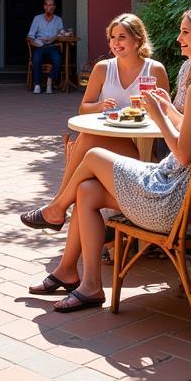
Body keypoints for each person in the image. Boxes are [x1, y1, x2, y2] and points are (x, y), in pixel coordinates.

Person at [26, 21, 191, 311]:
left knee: (92, 154)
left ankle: (56, 211)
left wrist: (158, 116)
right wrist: (169, 109)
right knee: (88, 191)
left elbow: (182, 155)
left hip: (176, 209)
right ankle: (78, 277)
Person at [20, 12, 168, 231]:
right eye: (112, 37)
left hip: (141, 145)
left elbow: (166, 111)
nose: (115, 43)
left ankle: (57, 207)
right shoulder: (103, 68)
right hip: (110, 139)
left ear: (138, 40)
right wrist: (100, 106)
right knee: (88, 138)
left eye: (122, 37)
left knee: (87, 139)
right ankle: (58, 208)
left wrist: (150, 108)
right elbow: (84, 108)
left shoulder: (154, 69)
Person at [28, 0, 65, 94]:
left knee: (58, 60)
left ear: (54, 7)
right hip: (39, 46)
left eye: (52, 5)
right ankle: (37, 84)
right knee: (36, 59)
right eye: (48, 5)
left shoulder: (58, 20)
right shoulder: (37, 19)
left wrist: (53, 38)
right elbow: (30, 36)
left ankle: (50, 80)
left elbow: (61, 33)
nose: (50, 7)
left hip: (52, 45)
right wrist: (34, 43)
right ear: (44, 7)